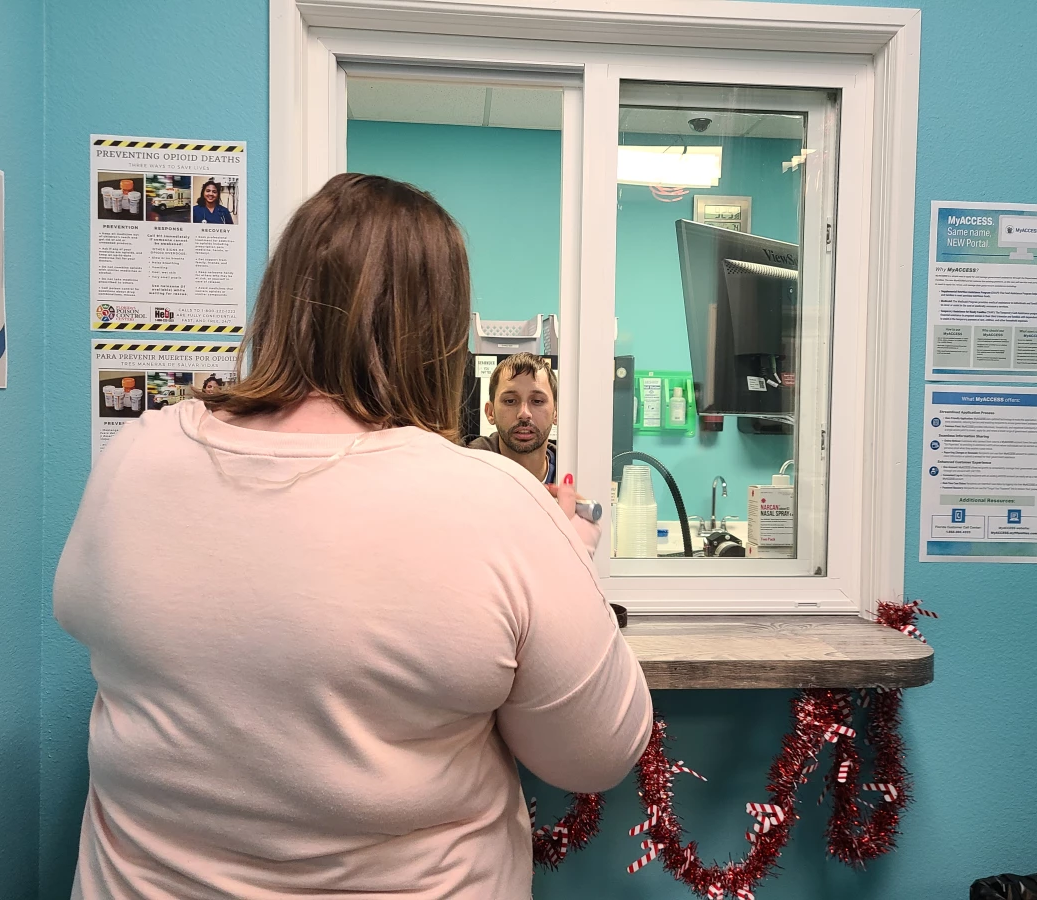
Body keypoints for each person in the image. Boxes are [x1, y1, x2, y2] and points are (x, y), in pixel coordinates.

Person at [54, 173, 651, 900]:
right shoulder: (497, 506)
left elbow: (89, 617)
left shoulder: (137, 455)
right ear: (439, 336)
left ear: (279, 300)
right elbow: (596, 756)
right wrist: (570, 558)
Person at [466, 352, 557, 484]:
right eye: (510, 401)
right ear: (490, 412)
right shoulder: (462, 475)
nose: (524, 414)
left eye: (537, 401)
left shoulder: (578, 473)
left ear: (556, 412)